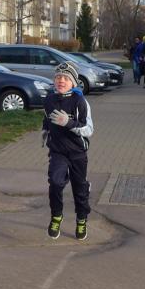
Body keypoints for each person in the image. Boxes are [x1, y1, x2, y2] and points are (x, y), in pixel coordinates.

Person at [42, 62, 94, 241]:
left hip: (77, 153)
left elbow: (89, 130)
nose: (61, 81)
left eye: (65, 78)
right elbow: (47, 118)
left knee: (79, 190)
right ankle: (56, 216)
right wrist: (45, 131)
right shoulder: (49, 99)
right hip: (58, 152)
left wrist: (69, 123)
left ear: (73, 82)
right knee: (55, 183)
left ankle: (81, 219)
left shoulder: (80, 101)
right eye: (58, 77)